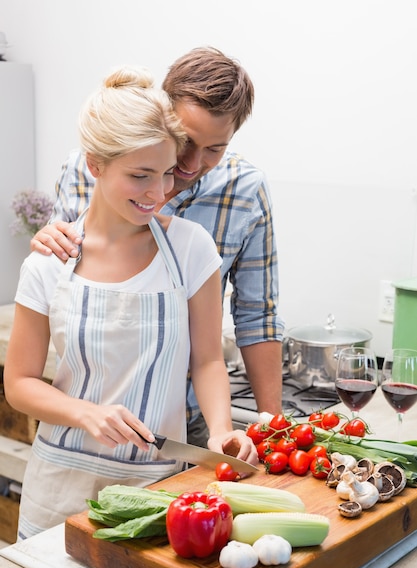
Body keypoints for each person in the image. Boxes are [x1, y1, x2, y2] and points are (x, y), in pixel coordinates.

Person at [4, 65, 257, 540]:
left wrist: (222, 430)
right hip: (59, 484)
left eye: (164, 174)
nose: (158, 193)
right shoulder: (48, 262)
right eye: (140, 175)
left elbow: (206, 361)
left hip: (157, 485)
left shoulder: (191, 248)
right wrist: (85, 412)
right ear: (95, 164)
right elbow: (18, 384)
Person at [31, 47, 285, 447]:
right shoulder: (88, 167)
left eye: (215, 149)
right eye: (185, 139)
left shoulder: (245, 191)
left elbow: (257, 318)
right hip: (85, 417)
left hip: (187, 422)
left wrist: (274, 427)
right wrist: (46, 241)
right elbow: (58, 264)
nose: (190, 163)